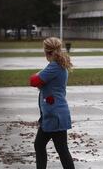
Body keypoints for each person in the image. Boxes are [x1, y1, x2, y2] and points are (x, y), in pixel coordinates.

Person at [29, 37, 75, 169]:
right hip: (53, 114)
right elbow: (40, 81)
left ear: (46, 51)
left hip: (55, 115)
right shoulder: (56, 65)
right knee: (48, 146)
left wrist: (38, 74)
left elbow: (34, 81)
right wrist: (40, 75)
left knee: (59, 149)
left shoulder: (54, 67)